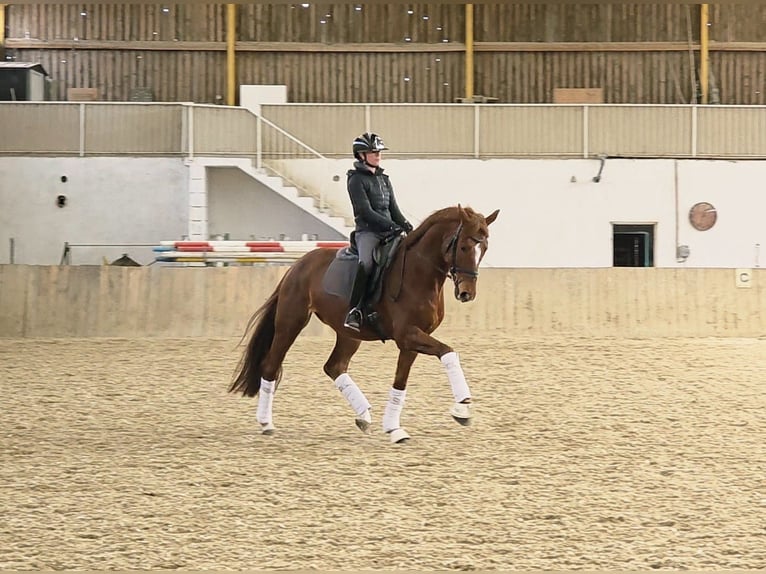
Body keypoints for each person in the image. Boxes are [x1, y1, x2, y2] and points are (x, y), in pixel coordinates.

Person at [343, 132, 413, 332]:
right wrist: (392, 226)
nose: (377, 155)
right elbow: (365, 212)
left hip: (389, 231)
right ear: (361, 155)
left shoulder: (384, 179)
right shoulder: (355, 180)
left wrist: (408, 227)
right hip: (368, 233)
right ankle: (355, 310)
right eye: (372, 152)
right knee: (366, 263)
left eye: (378, 151)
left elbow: (394, 210)